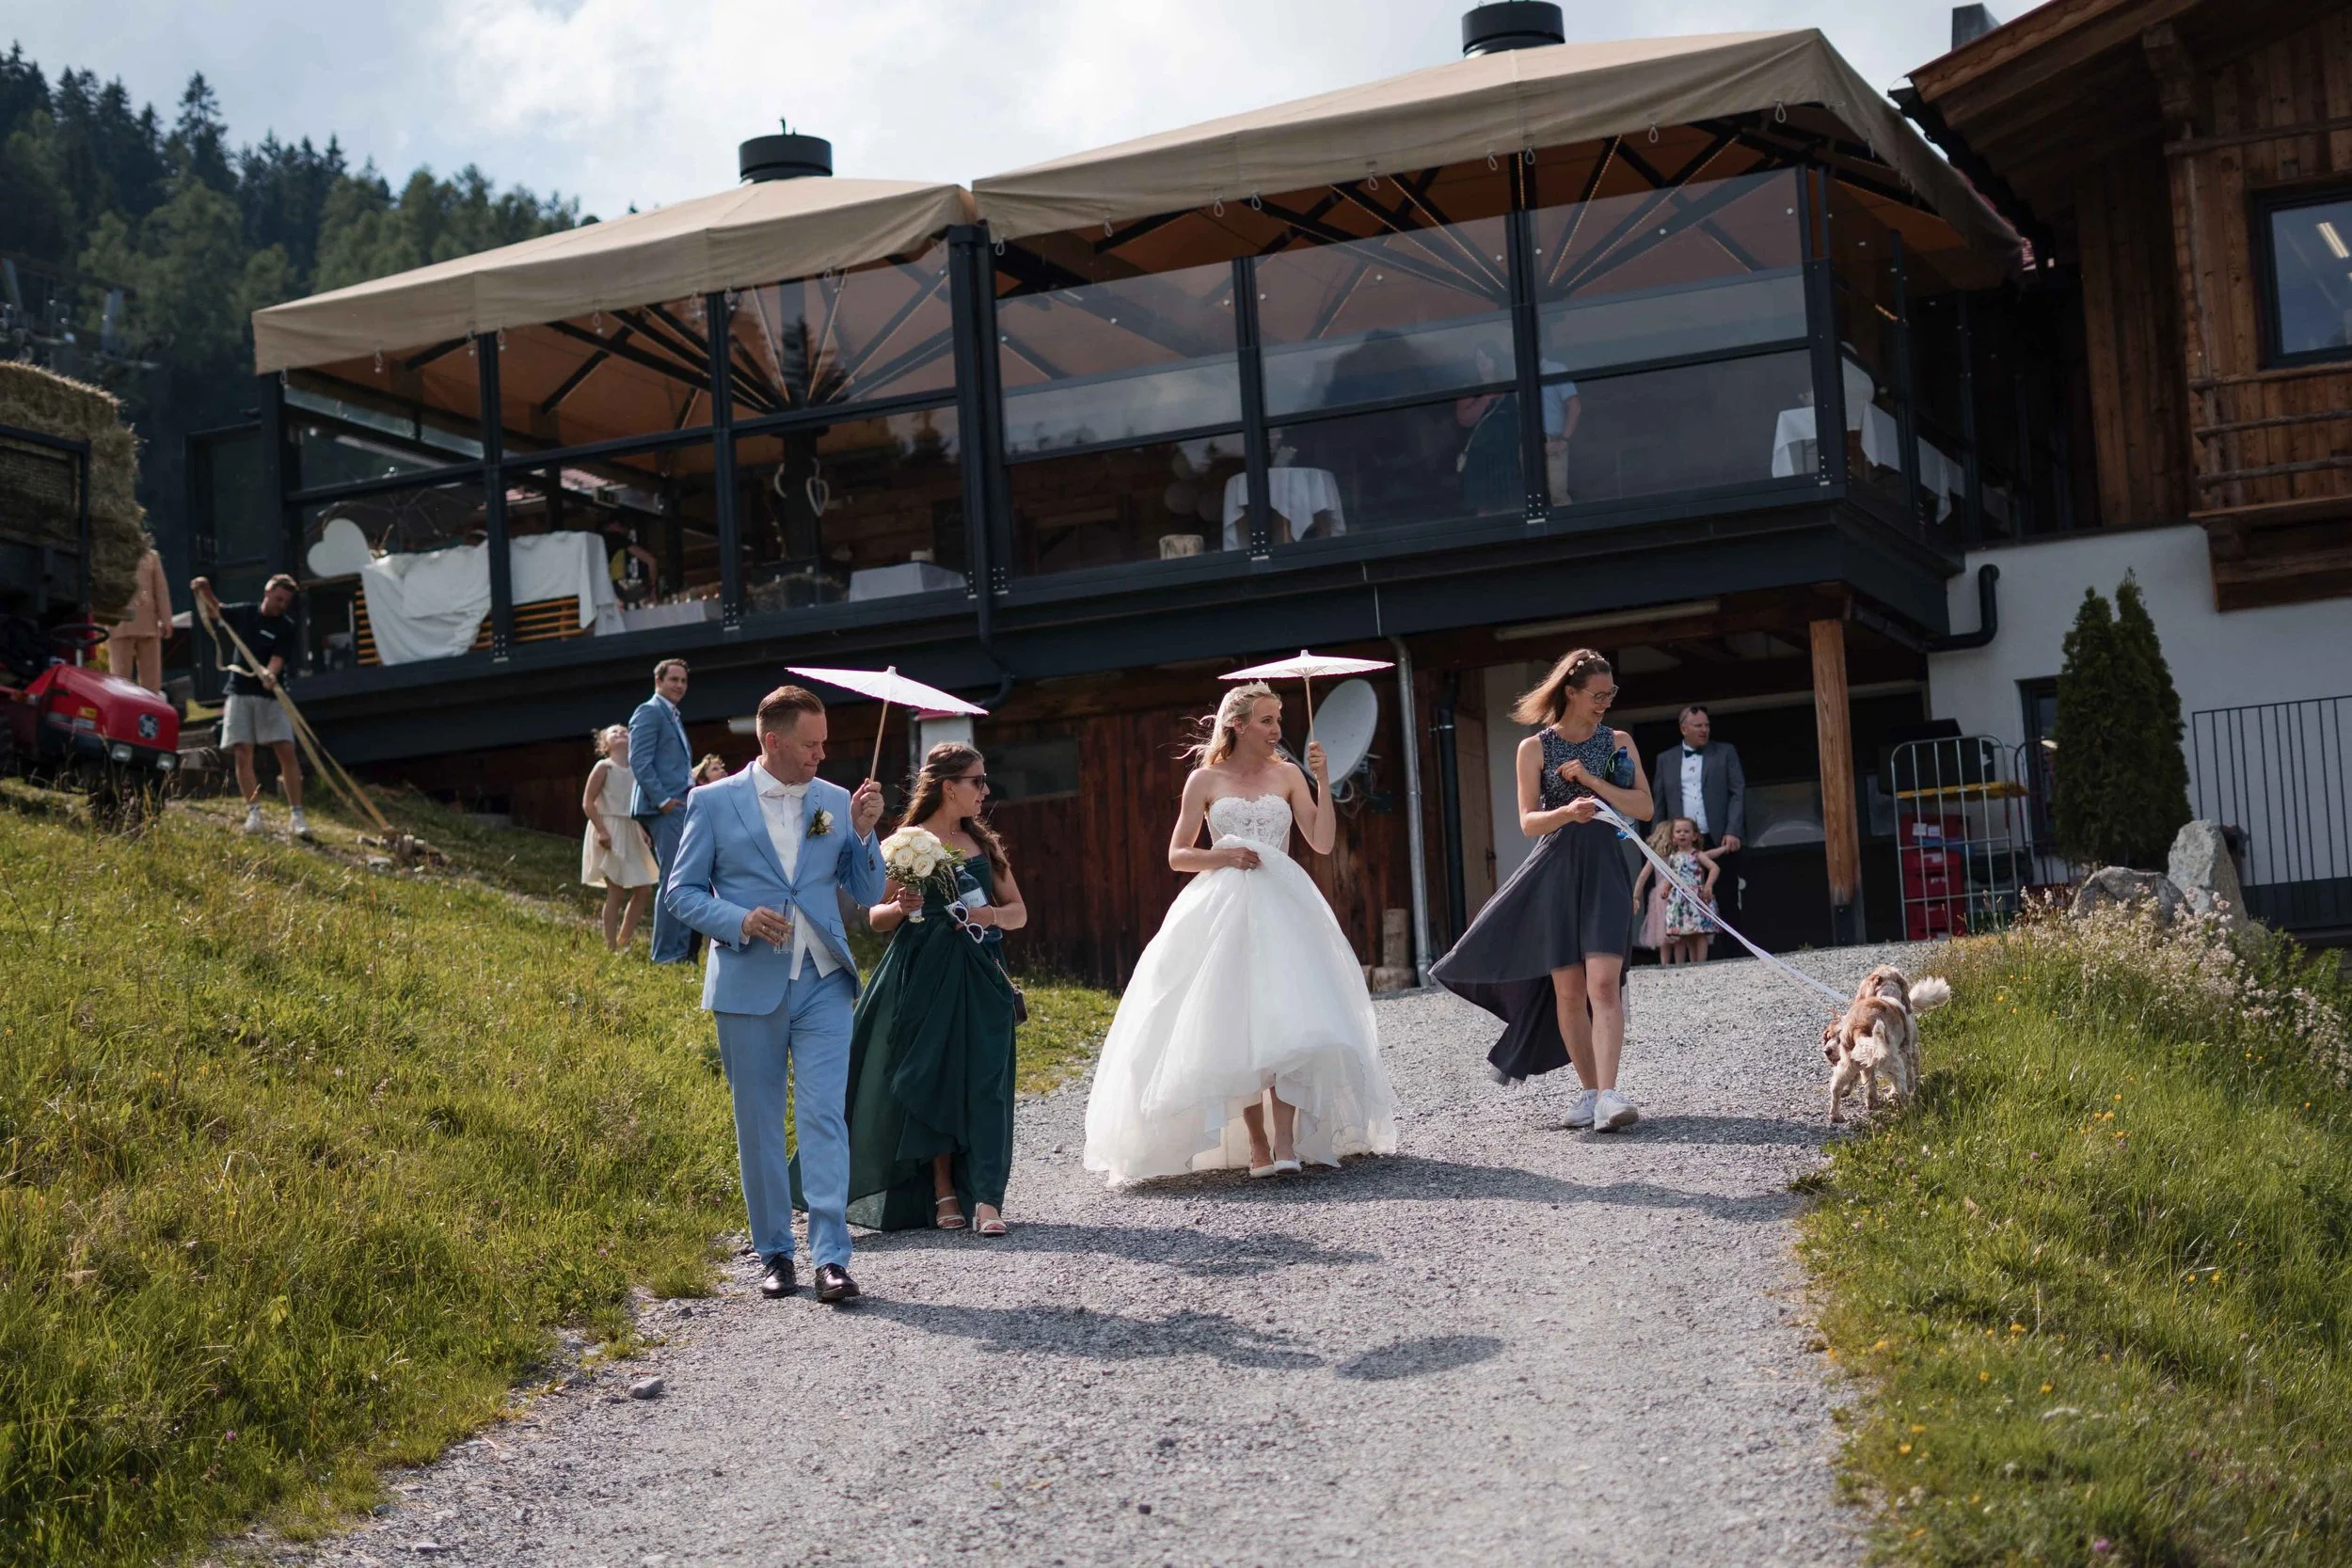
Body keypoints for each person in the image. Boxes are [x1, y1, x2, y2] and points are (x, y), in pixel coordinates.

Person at [1084, 682, 1397, 1183]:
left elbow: (1319, 842)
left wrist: (1321, 781)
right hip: (1221, 905)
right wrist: (1223, 855)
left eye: (1279, 720)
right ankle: (1255, 1144)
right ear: (1238, 724)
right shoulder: (1204, 780)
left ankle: (1287, 1140)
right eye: (1268, 721)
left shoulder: (1288, 774)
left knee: (1287, 1017)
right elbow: (1177, 854)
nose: (1278, 730)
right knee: (1235, 1021)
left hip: (1283, 904)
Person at [663, 685, 885, 1306]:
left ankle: (833, 1258)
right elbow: (679, 893)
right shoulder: (711, 803)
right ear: (772, 741)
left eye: (825, 743)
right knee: (758, 1124)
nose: (822, 753)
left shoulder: (835, 801)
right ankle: (775, 1254)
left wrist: (865, 834)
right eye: (811, 744)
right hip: (746, 983)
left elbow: (866, 891)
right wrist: (738, 919)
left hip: (823, 978)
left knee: (821, 1114)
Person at [1431, 648, 1652, 1130]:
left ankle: (1611, 1096)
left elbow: (1644, 806)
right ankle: (1590, 1093)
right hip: (1555, 869)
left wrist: (1592, 782)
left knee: (1603, 985)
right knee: (1569, 992)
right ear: (1570, 693)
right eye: (1597, 694)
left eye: (1610, 693)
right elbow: (1529, 822)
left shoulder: (1618, 742)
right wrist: (1567, 813)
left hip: (1605, 870)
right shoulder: (1533, 749)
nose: (1605, 702)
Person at [843, 743, 1026, 1236]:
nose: (985, 791)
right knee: (934, 1077)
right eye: (978, 782)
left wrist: (988, 914)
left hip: (981, 970)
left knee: (986, 1079)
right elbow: (876, 919)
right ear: (950, 787)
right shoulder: (905, 843)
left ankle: (988, 1198)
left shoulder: (984, 844)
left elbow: (1019, 912)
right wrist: (901, 905)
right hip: (922, 972)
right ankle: (943, 1190)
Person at [192, 573, 310, 840]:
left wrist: (270, 674)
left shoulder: (286, 626)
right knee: (242, 751)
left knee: (286, 750)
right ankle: (254, 812)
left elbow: (279, 658)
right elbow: (216, 612)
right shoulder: (245, 613)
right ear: (267, 593)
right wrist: (205, 589)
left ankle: (297, 814)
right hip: (240, 692)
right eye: (279, 599)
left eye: (286, 601)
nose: (282, 604)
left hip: (270, 696)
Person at [1651, 704, 1745, 937]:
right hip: (1682, 842)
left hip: (1718, 837)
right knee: (1684, 898)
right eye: (1698, 726)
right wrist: (1657, 840)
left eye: (1707, 725)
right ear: (1684, 729)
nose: (1704, 730)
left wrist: (1733, 830)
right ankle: (1699, 960)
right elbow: (1659, 802)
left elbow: (1738, 791)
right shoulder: (1666, 759)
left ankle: (1734, 954)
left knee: (1725, 895)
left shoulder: (1725, 752)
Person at [628, 658, 697, 964]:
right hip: (665, 809)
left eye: (683, 681)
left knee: (683, 878)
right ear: (658, 681)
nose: (680, 686)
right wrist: (663, 801)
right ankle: (666, 956)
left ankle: (680, 953)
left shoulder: (672, 715)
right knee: (673, 879)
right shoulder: (649, 711)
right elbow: (639, 761)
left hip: (679, 806)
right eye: (674, 680)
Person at [580, 724, 660, 952]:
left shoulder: (636, 770)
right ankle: (610, 945)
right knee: (615, 890)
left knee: (643, 889)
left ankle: (624, 939)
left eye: (625, 731)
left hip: (631, 829)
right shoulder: (604, 767)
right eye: (614, 732)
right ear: (605, 744)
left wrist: (642, 830)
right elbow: (588, 802)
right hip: (609, 829)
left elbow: (633, 807)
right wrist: (602, 831)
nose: (621, 733)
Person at [1630, 816, 1722, 966]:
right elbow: (1671, 875)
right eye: (1678, 832)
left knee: (1699, 933)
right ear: (1673, 837)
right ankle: (1688, 964)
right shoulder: (1673, 857)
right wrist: (1666, 888)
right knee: (1685, 933)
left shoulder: (1696, 854)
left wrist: (1708, 885)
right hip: (1679, 899)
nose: (1682, 834)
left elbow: (1714, 866)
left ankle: (1701, 963)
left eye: (1686, 831)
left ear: (1694, 836)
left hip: (1695, 896)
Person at [108, 546, 171, 694]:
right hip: (119, 624)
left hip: (148, 624)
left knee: (151, 681)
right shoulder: (110, 553)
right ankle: (123, 714)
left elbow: (161, 589)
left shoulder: (151, 555)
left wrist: (166, 619)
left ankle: (151, 713)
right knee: (120, 679)